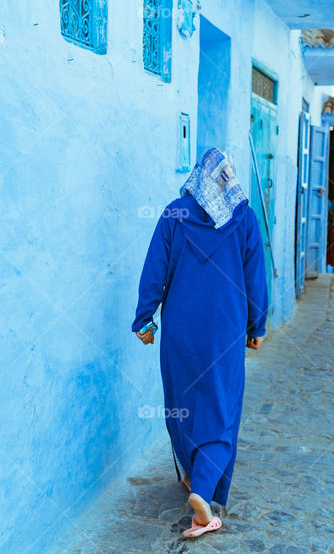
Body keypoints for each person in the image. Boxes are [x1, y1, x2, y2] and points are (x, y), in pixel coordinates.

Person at [132, 148, 268, 539]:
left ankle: (194, 474)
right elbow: (255, 276)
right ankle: (203, 494)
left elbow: (154, 269)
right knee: (221, 408)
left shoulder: (175, 213)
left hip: (181, 328)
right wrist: (256, 325)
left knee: (182, 402)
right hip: (225, 330)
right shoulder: (243, 217)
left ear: (198, 176)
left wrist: (144, 319)